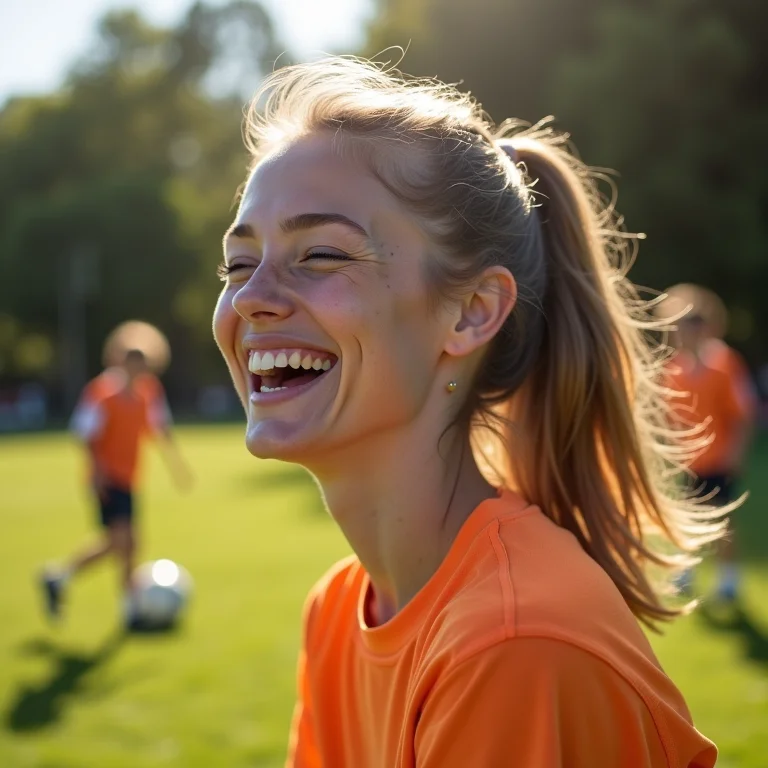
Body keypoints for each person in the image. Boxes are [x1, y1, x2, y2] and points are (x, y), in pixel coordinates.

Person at [213, 57, 722, 766]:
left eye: (321, 254)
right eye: (238, 264)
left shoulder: (515, 646)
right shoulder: (338, 610)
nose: (250, 298)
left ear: (472, 312)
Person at [41, 329, 192, 628]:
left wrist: (177, 467)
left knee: (122, 544)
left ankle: (59, 577)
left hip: (129, 477)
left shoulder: (148, 392)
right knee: (123, 542)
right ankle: (130, 612)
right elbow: (84, 434)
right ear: (120, 361)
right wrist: (97, 472)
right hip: (108, 479)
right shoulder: (103, 392)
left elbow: (160, 428)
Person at [662, 285, 756, 601]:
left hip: (719, 459)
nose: (690, 330)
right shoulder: (673, 369)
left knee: (722, 518)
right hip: (690, 460)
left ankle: (728, 579)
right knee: (687, 517)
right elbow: (670, 418)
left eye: (695, 322)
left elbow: (742, 414)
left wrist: (735, 453)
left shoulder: (724, 362)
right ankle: (686, 573)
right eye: (684, 323)